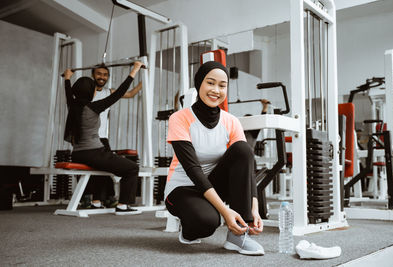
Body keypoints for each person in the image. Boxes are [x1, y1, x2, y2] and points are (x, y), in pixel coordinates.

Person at [164, 61, 265, 256]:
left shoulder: (231, 121)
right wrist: (225, 213)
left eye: (222, 85)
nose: (216, 90)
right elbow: (193, 170)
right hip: (183, 188)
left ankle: (238, 237)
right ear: (199, 83)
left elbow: (246, 163)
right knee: (207, 223)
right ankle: (188, 227)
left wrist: (254, 209)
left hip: (214, 185)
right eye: (210, 83)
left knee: (244, 150)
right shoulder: (180, 118)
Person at [62, 61, 144, 215]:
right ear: (90, 92)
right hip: (94, 152)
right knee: (132, 168)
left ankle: (98, 201)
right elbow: (119, 93)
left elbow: (68, 91)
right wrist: (134, 70)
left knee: (105, 169)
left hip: (78, 153)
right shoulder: (93, 107)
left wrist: (67, 78)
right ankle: (122, 206)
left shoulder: (72, 105)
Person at [83, 66, 143, 209]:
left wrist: (145, 78)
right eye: (99, 74)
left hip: (102, 138)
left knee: (102, 171)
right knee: (95, 170)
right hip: (88, 139)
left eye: (105, 75)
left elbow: (130, 94)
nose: (102, 77)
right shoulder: (85, 94)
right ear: (93, 75)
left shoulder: (108, 93)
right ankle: (97, 201)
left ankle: (97, 201)